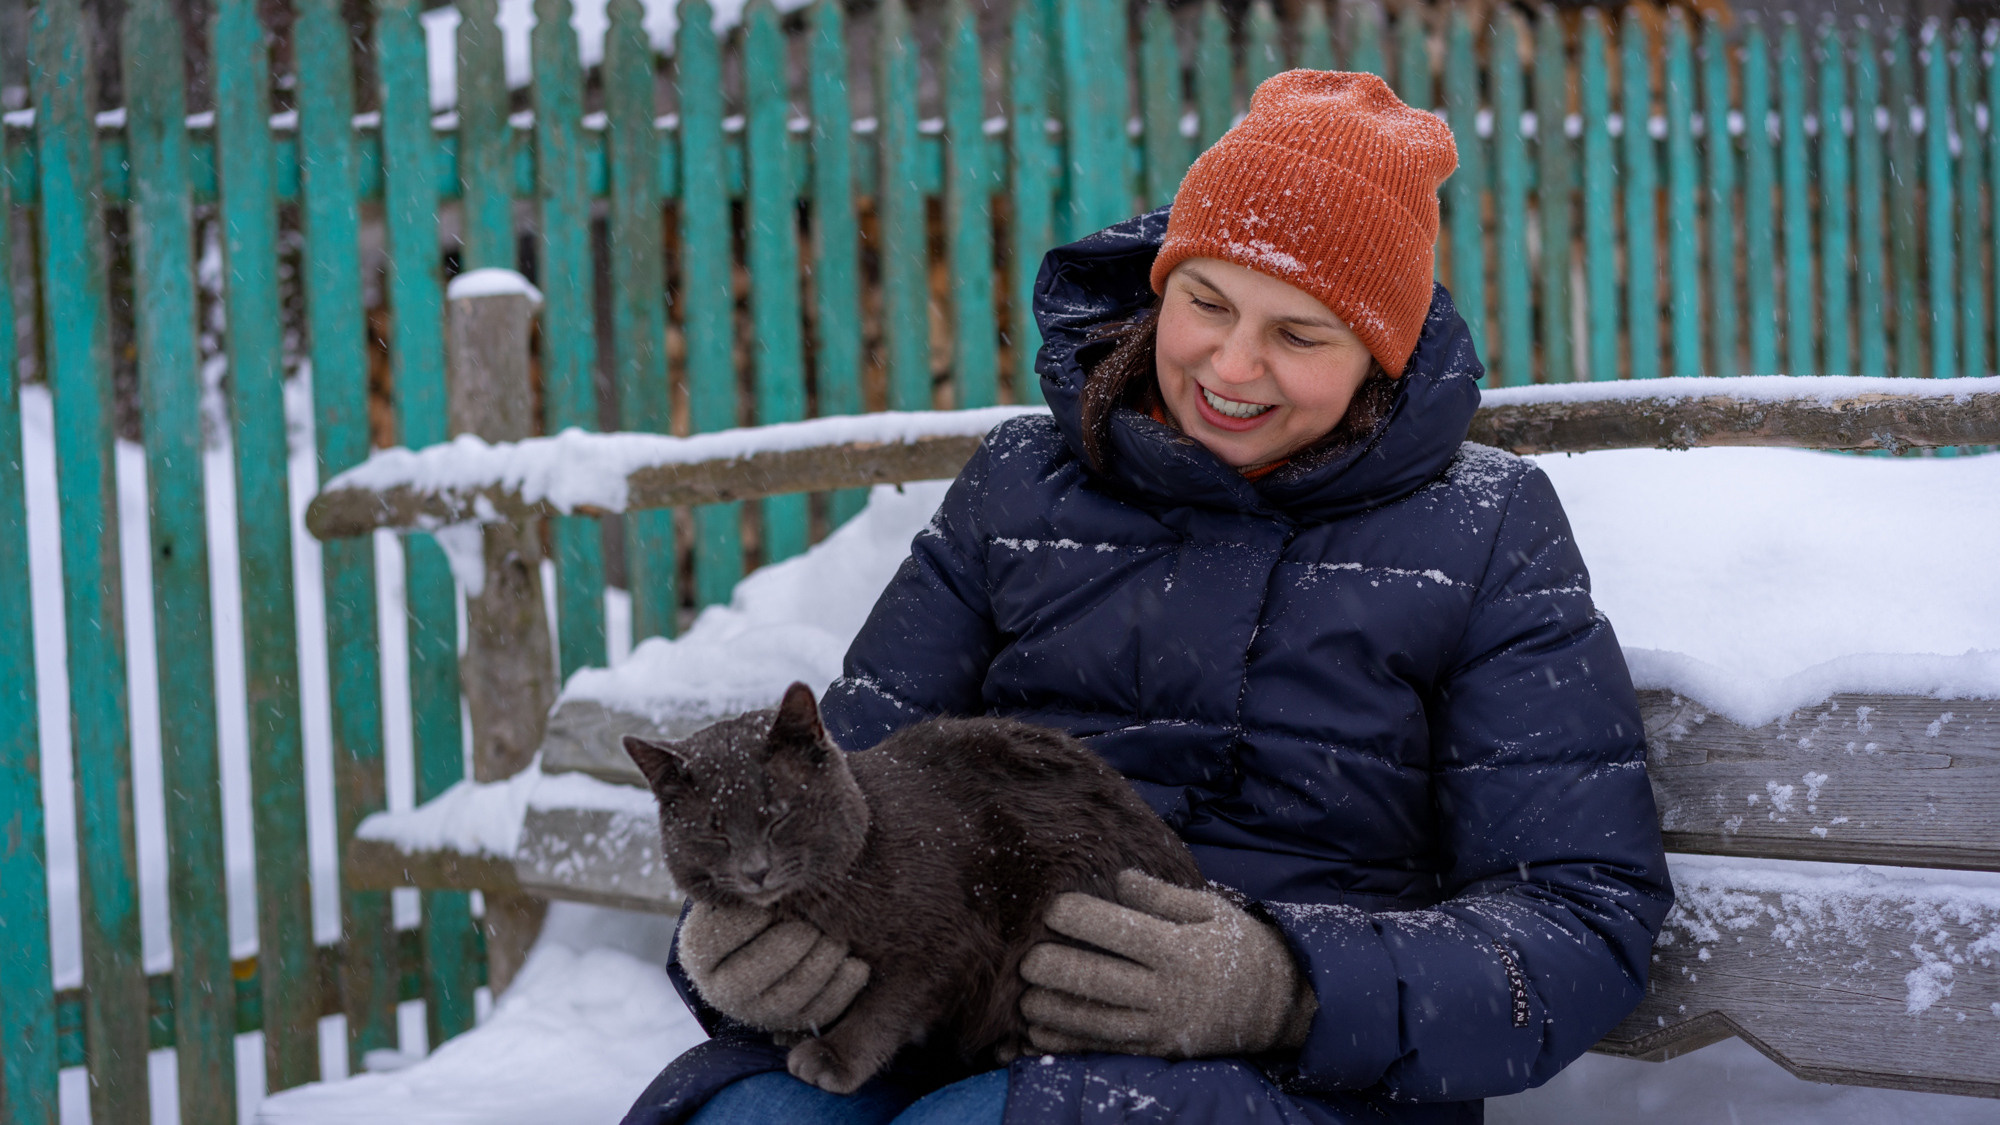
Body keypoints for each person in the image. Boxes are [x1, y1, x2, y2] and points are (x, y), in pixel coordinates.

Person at [622, 69, 1673, 1125]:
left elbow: (1580, 914)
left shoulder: (1485, 528)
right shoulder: (1018, 486)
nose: (1231, 362)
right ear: (1157, 291)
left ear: (1377, 359)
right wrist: (734, 958)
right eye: (1204, 303)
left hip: (1293, 1084)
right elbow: (834, 781)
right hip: (948, 1010)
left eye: (1300, 334)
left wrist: (1285, 985)